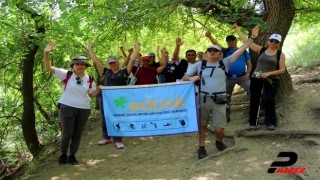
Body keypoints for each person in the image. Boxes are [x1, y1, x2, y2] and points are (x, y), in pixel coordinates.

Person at [183, 26, 259, 159]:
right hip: (203, 98)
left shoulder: (225, 63)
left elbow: (241, 49)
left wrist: (252, 37)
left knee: (219, 128)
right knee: (202, 125)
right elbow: (185, 77)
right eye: (210, 50)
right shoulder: (199, 65)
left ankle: (219, 141)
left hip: (220, 98)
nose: (212, 52)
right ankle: (201, 147)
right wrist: (191, 78)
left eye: (216, 50)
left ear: (220, 53)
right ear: (206, 53)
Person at [44, 42, 100, 165]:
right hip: (67, 107)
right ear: (73, 65)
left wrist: (99, 89)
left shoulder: (89, 79)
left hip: (84, 109)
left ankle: (72, 155)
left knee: (77, 134)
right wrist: (46, 53)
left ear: (86, 67)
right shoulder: (66, 74)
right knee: (67, 133)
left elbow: (91, 95)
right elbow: (49, 67)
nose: (80, 66)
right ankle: (63, 154)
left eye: (83, 64)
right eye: (77, 64)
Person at [232, 23, 286, 130]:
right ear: (268, 41)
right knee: (255, 98)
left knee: (269, 99)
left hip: (272, 80)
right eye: (271, 40)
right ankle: (252, 122)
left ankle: (270, 122)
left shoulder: (280, 54)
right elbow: (247, 42)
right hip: (256, 77)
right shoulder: (261, 50)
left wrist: (269, 73)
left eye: (276, 41)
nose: (273, 43)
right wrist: (237, 30)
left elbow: (282, 70)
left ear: (279, 43)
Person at [205, 30, 252, 123]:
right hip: (228, 77)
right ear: (227, 42)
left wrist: (248, 74)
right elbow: (216, 44)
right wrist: (209, 36)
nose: (231, 42)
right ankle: (225, 114)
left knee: (253, 90)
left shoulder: (243, 52)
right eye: (229, 41)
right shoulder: (225, 51)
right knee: (225, 97)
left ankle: (252, 111)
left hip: (242, 77)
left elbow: (249, 64)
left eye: (232, 40)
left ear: (236, 41)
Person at [88, 43, 128, 149]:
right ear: (108, 64)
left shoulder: (124, 72)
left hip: (119, 100)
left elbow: (132, 60)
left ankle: (118, 140)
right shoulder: (106, 72)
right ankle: (106, 137)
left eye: (114, 62)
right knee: (105, 117)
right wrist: (90, 49)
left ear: (118, 62)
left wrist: (136, 48)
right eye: (110, 63)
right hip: (105, 99)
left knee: (117, 117)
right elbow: (96, 62)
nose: (113, 65)